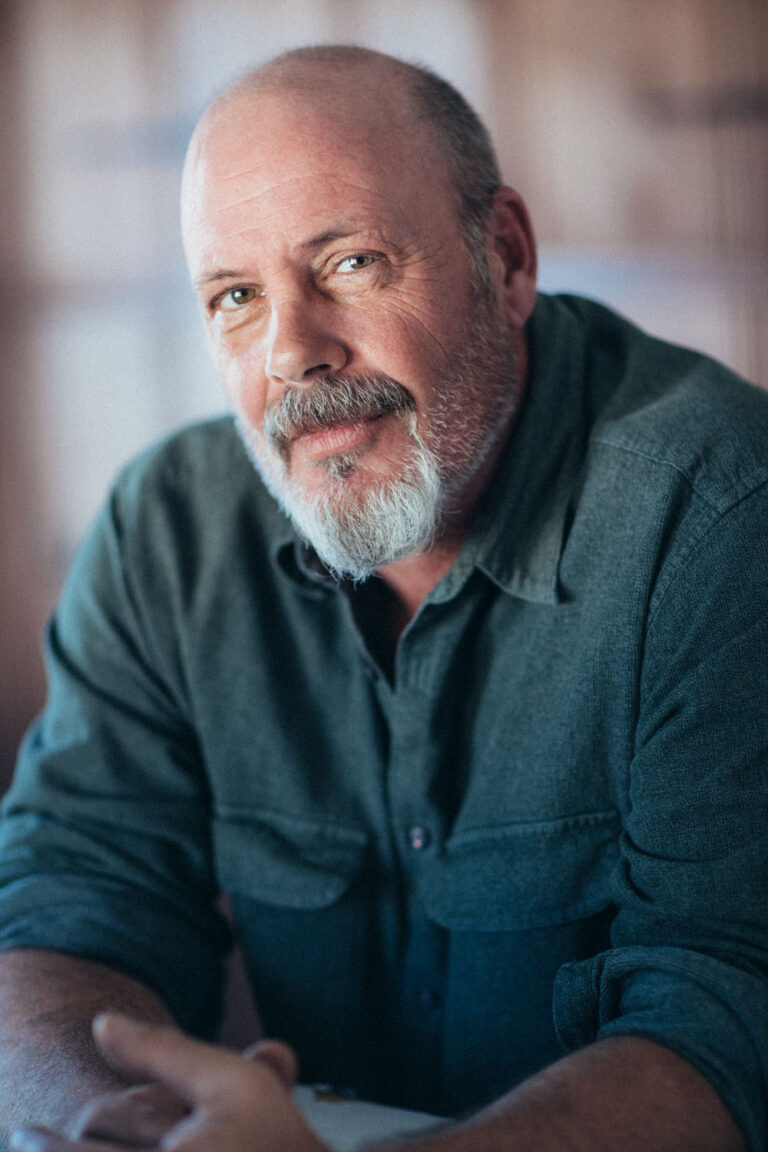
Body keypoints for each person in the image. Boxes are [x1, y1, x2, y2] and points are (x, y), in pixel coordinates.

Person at [0, 43, 766, 1152]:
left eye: (351, 263)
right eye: (236, 296)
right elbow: (68, 902)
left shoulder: (720, 516)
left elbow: (731, 1007)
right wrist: (115, 1126)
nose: (292, 353)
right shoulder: (166, 530)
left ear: (505, 259)